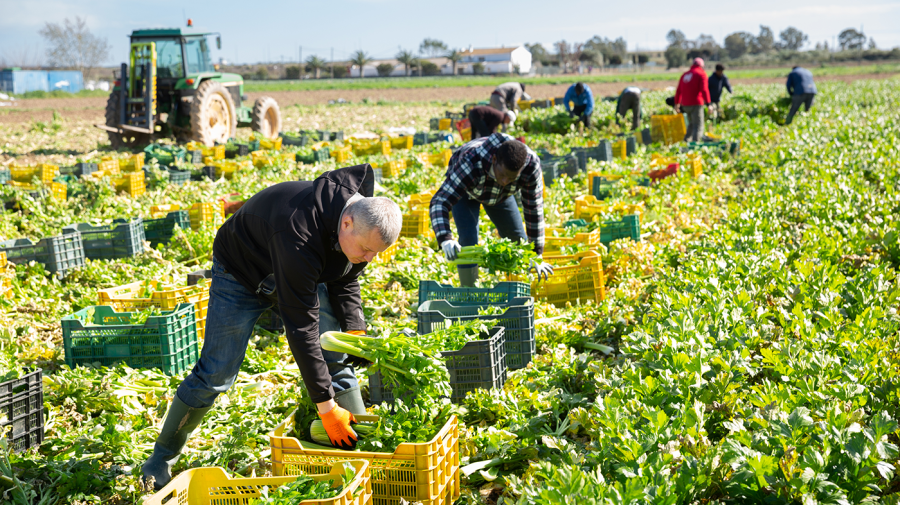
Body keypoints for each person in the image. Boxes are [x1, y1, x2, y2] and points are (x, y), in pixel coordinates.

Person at [141, 164, 403, 490]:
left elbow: (345, 280)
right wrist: (325, 407)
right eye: (366, 250)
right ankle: (161, 457)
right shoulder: (298, 232)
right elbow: (302, 327)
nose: (368, 259)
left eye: (375, 253)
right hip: (242, 273)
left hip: (300, 272)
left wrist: (355, 328)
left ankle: (360, 453)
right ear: (346, 222)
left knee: (336, 354)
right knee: (216, 374)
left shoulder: (357, 226)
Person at [430, 134, 554, 287]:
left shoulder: (530, 167)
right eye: (502, 175)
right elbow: (439, 201)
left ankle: (517, 287)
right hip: (467, 192)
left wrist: (536, 254)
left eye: (511, 178)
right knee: (468, 241)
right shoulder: (470, 162)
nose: (504, 181)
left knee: (518, 240)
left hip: (500, 196)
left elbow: (534, 209)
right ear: (494, 160)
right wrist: (445, 238)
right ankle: (470, 292)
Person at [674, 57, 711, 142]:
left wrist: (677, 104)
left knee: (691, 124)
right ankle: (695, 145)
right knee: (698, 125)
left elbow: (678, 90)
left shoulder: (685, 75)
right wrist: (709, 104)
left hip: (686, 105)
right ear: (701, 66)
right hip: (696, 104)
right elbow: (704, 90)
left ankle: (686, 140)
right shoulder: (701, 74)